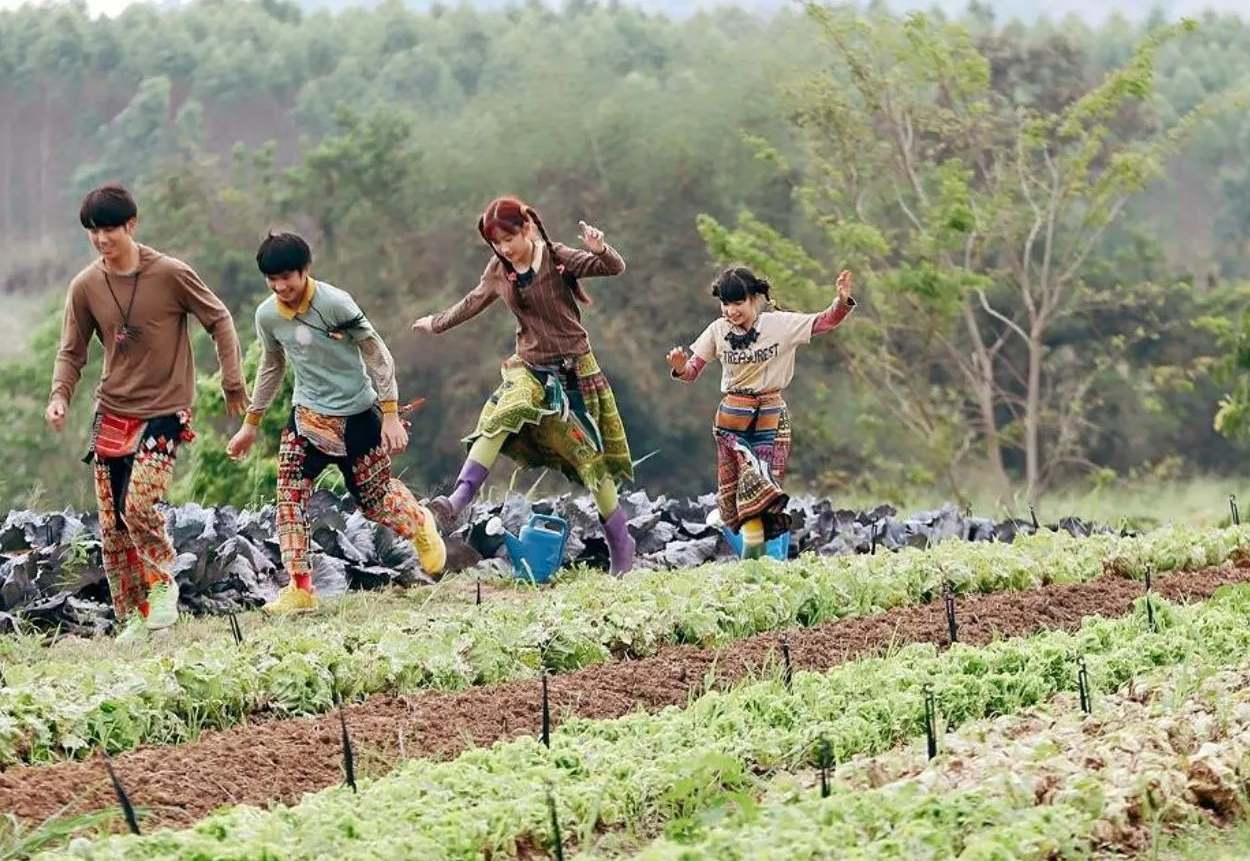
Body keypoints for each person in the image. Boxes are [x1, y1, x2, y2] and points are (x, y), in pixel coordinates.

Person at [47, 184, 248, 632]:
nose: (101, 239)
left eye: (110, 229)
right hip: (112, 410)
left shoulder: (171, 273)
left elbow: (219, 318)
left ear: (131, 225)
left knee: (139, 505)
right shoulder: (85, 286)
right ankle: (133, 616)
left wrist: (232, 379)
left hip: (165, 408)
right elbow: (71, 351)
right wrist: (60, 395)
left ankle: (163, 582)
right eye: (93, 232)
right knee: (114, 525)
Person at [410, 196, 638, 574]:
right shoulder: (499, 269)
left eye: (508, 239)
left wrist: (602, 249)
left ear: (527, 229)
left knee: (591, 462)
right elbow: (474, 300)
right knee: (503, 411)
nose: (503, 249)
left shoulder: (558, 256)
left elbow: (613, 267)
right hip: (528, 368)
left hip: (574, 372)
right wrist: (436, 322)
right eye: (495, 243)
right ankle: (456, 499)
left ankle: (621, 545)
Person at [226, 232, 447, 613]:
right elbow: (271, 367)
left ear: (305, 270)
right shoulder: (267, 315)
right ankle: (300, 588)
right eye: (272, 279)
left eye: (287, 278)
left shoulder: (335, 303)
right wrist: (250, 424)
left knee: (375, 502)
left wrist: (390, 415)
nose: (281, 287)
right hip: (307, 420)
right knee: (289, 501)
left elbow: (377, 354)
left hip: (357, 418)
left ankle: (420, 523)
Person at [666, 265, 855, 558]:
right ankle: (749, 551)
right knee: (738, 497)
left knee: (765, 492)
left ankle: (769, 564)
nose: (731, 311)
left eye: (738, 302)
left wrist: (841, 302)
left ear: (755, 299)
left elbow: (824, 322)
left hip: (769, 418)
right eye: (725, 304)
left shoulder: (779, 325)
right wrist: (679, 367)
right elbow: (692, 372)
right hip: (732, 421)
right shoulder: (717, 331)